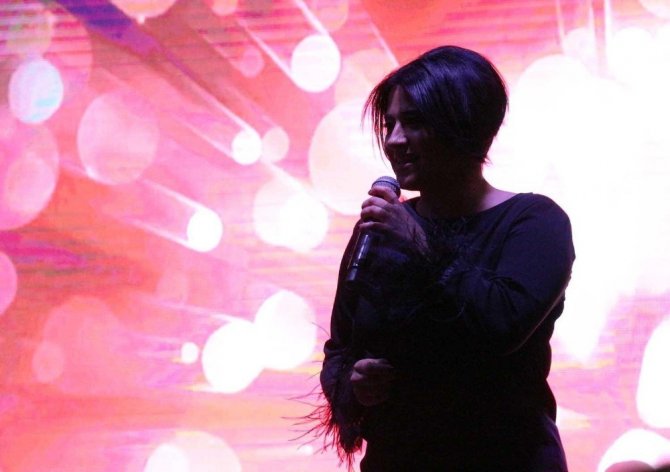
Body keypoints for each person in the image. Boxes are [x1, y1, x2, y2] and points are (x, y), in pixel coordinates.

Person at [316, 45, 575, 471]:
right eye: (390, 123)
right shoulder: (380, 230)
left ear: (465, 125)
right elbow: (341, 347)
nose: (394, 140)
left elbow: (501, 326)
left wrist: (419, 244)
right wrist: (354, 383)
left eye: (414, 122)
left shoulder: (534, 222)